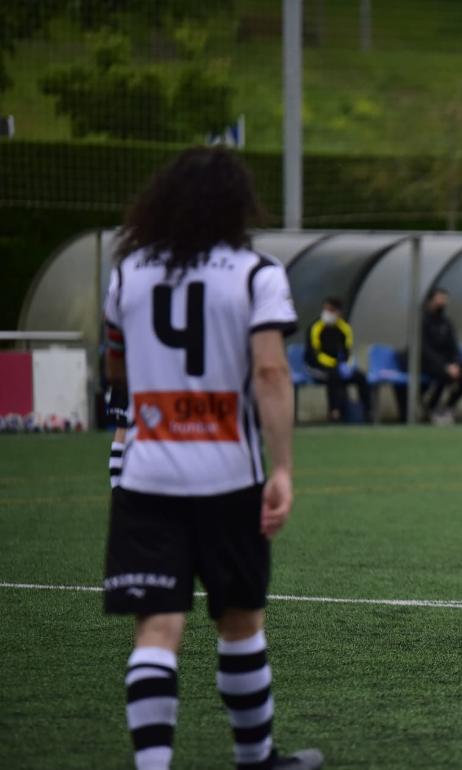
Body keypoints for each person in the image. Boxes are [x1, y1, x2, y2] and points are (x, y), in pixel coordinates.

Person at [101, 147, 321, 770]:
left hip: (146, 475)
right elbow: (271, 371)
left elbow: (116, 368)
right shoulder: (256, 273)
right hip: (228, 474)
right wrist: (281, 468)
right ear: (236, 203)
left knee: (157, 629)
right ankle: (255, 757)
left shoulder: (127, 273)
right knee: (240, 621)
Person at [304, 297, 371, 422]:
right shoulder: (316, 327)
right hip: (316, 366)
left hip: (339, 366)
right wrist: (335, 365)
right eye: (325, 309)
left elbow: (348, 351)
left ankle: (368, 412)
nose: (327, 313)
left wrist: (348, 364)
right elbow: (315, 354)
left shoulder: (344, 328)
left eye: (331, 310)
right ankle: (334, 412)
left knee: (361, 377)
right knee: (334, 376)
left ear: (338, 312)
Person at [420, 288, 462, 424]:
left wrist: (456, 364)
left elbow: (454, 347)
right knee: (443, 375)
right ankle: (431, 408)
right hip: (427, 363)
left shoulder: (446, 322)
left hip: (448, 363)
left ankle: (448, 406)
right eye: (439, 299)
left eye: (444, 299)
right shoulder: (422, 322)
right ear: (430, 301)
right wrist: (445, 367)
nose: (442, 302)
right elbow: (424, 349)